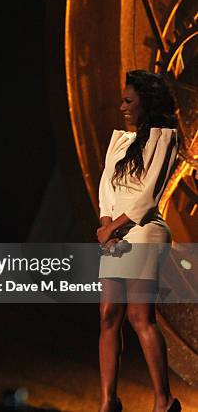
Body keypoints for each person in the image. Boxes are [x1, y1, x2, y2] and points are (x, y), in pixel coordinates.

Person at [97, 70, 182, 412]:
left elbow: (147, 199)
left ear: (147, 100)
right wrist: (106, 225)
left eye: (129, 101)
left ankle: (164, 401)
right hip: (115, 234)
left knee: (139, 316)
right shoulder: (119, 140)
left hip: (144, 231)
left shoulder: (164, 138)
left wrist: (113, 228)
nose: (123, 107)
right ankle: (108, 401)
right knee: (107, 314)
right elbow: (107, 189)